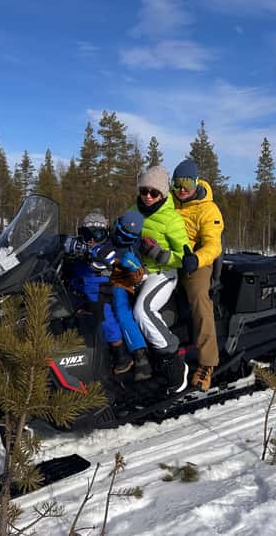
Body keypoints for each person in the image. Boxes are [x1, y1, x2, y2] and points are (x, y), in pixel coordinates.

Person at [129, 165, 191, 392]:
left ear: (163, 194)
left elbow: (185, 257)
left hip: (162, 274)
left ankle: (173, 361)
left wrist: (160, 255)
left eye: (153, 193)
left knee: (143, 311)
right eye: (144, 190)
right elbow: (121, 231)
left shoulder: (171, 219)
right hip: (136, 270)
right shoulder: (133, 211)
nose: (147, 196)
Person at [65, 210, 148, 377]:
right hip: (82, 287)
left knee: (109, 318)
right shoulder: (85, 245)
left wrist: (93, 253)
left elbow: (107, 259)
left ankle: (124, 355)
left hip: (105, 290)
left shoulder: (107, 249)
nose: (92, 239)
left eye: (98, 234)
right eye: (88, 234)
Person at [170, 159, 224, 391]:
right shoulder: (170, 201)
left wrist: (196, 259)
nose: (182, 189)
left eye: (187, 183)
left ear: (195, 182)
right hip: (169, 257)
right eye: (177, 183)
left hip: (197, 262)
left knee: (199, 299)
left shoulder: (207, 208)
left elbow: (214, 246)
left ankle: (207, 363)